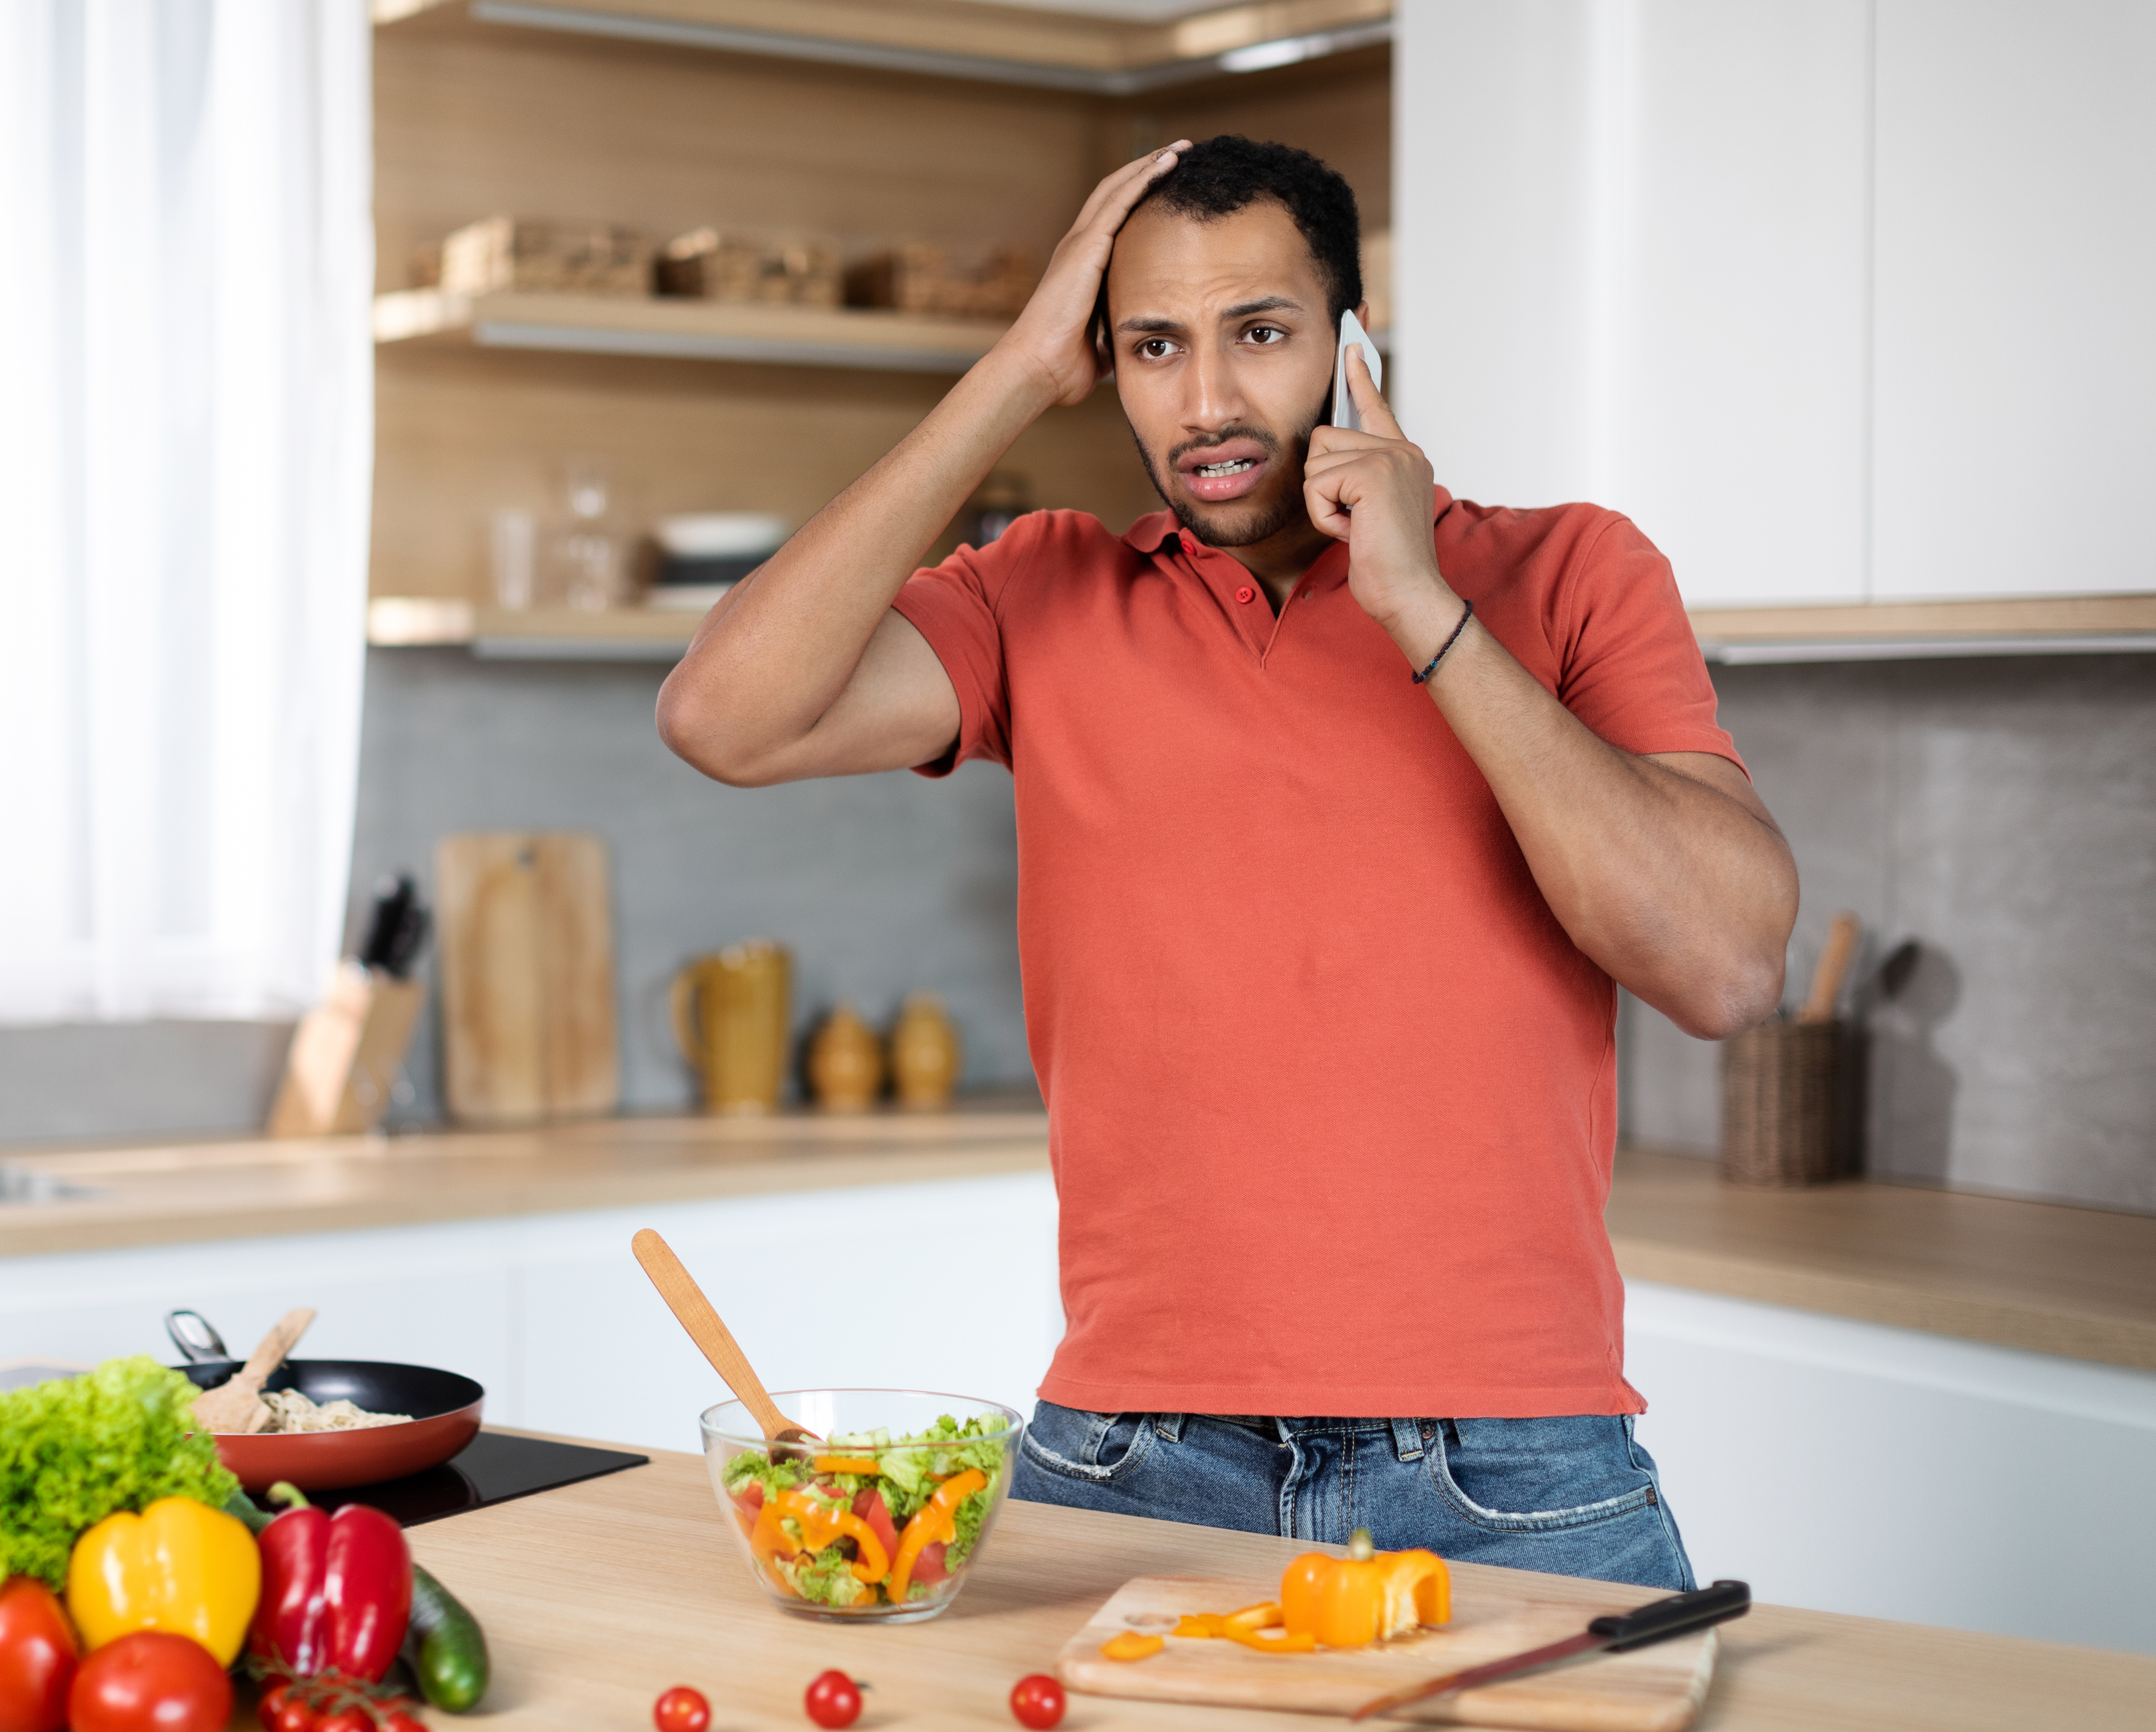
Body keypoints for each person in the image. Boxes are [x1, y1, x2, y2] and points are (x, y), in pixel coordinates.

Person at [654, 136, 1798, 1588]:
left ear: (1348, 341)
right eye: (1150, 346)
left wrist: (1419, 610)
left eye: (1257, 333)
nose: (1203, 402)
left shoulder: (1568, 572)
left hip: (1509, 1464)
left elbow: (1721, 962)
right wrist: (1011, 366)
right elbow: (721, 718)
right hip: (1134, 1457)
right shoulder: (1043, 593)